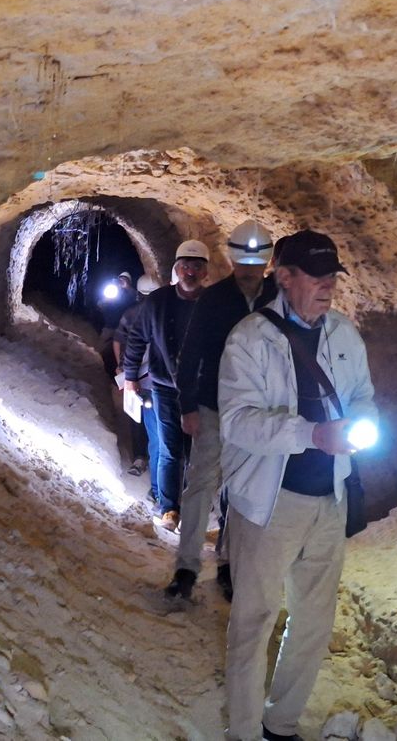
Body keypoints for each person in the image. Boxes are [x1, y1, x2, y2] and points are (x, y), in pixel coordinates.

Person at [218, 230, 378, 741]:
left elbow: (363, 396)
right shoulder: (249, 338)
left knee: (312, 622)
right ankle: (243, 732)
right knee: (254, 621)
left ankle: (280, 723)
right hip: (269, 504)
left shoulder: (344, 335)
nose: (328, 286)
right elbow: (238, 422)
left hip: (327, 503)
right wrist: (311, 434)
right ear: (284, 277)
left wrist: (358, 426)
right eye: (317, 276)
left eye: (333, 276)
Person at [165, 220, 278, 600]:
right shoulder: (215, 299)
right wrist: (188, 406)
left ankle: (229, 561)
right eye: (242, 262)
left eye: (255, 262)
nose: (248, 270)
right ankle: (186, 566)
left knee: (244, 488)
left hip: (258, 408)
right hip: (215, 405)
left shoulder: (278, 296)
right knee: (200, 485)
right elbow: (191, 353)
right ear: (232, 258)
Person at [122, 240, 210, 529]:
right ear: (177, 269)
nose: (190, 272)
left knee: (194, 450)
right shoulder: (158, 301)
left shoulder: (214, 305)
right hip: (164, 386)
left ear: (205, 271)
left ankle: (190, 506)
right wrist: (131, 377)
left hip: (199, 390)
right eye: (186, 266)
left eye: (197, 267)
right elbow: (136, 340)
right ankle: (169, 509)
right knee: (171, 448)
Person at [113, 275, 161, 486]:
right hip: (151, 377)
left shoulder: (130, 313)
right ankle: (153, 461)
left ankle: (140, 458)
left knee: (136, 415)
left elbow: (117, 340)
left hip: (133, 375)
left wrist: (120, 365)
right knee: (155, 421)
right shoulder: (161, 314)